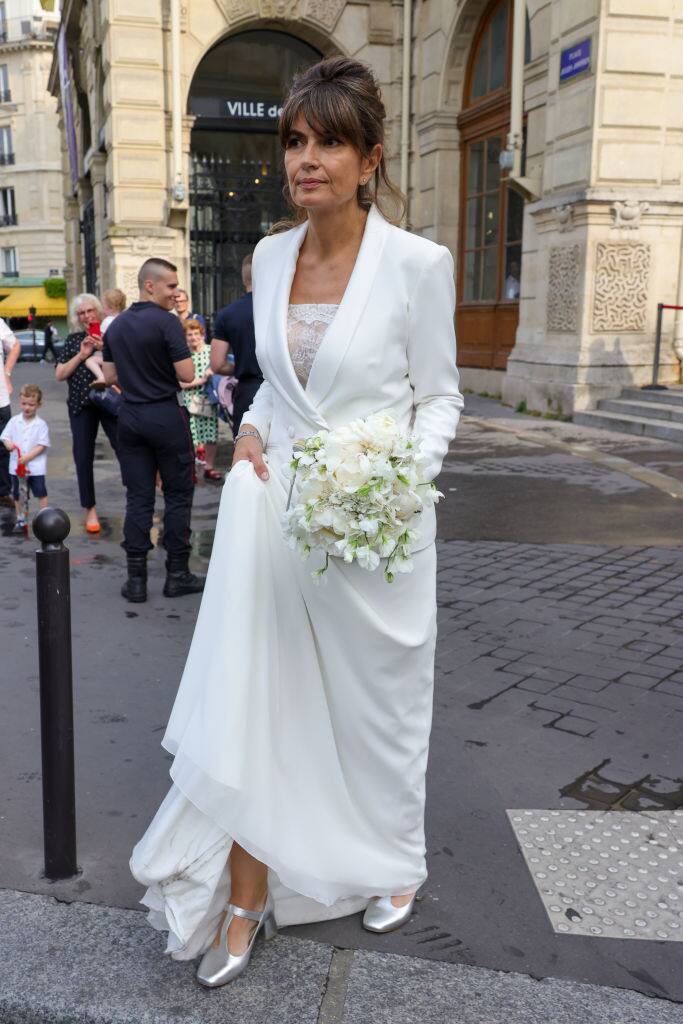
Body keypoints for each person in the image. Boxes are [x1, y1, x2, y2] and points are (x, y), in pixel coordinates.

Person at [130, 56, 462, 989]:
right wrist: (244, 438)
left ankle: (394, 860)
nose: (305, 159)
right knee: (265, 700)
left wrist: (396, 481)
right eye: (295, 141)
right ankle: (248, 889)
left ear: (370, 160)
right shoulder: (271, 258)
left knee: (378, 710)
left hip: (376, 524)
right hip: (275, 516)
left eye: (328, 143)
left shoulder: (418, 264)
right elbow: (277, 388)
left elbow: (438, 398)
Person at [102, 257, 206, 603]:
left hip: (130, 416)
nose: (176, 293)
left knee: (138, 497)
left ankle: (136, 581)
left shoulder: (115, 327)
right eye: (171, 286)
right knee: (178, 494)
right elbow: (188, 374)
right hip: (164, 414)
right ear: (150, 285)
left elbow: (111, 376)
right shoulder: (167, 323)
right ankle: (177, 574)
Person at [55, 293, 118, 534]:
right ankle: (90, 508)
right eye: (81, 313)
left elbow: (127, 365)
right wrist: (81, 355)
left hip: (111, 401)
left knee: (125, 447)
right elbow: (60, 374)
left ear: (99, 311)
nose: (86, 316)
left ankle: (137, 498)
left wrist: (106, 348)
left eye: (90, 311)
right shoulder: (73, 340)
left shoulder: (112, 334)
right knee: (83, 456)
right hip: (81, 404)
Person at [210, 253, 264, 437]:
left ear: (243, 278)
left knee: (246, 454)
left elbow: (217, 364)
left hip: (247, 391)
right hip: (282, 390)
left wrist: (240, 365)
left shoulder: (227, 314)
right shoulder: (282, 307)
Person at [1, 383, 50, 533]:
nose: (27, 407)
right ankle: (21, 519)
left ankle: (44, 518)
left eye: (31, 404)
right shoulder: (14, 421)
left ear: (38, 405)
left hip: (35, 468)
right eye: (23, 403)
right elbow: (4, 436)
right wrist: (8, 443)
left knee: (41, 492)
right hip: (17, 468)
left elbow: (42, 445)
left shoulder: (41, 425)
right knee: (18, 494)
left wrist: (28, 457)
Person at [179, 319, 222, 481]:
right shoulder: (183, 355)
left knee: (210, 433)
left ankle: (209, 468)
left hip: (208, 399)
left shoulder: (211, 351)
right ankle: (194, 470)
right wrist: (201, 380)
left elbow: (222, 368)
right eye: (189, 334)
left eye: (196, 333)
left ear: (202, 334)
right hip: (189, 401)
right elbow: (179, 383)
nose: (193, 337)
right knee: (192, 435)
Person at [0, 315, 20, 508]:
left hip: (0, 398)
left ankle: (3, 491)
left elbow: (15, 346)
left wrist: (6, 372)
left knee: (3, 446)